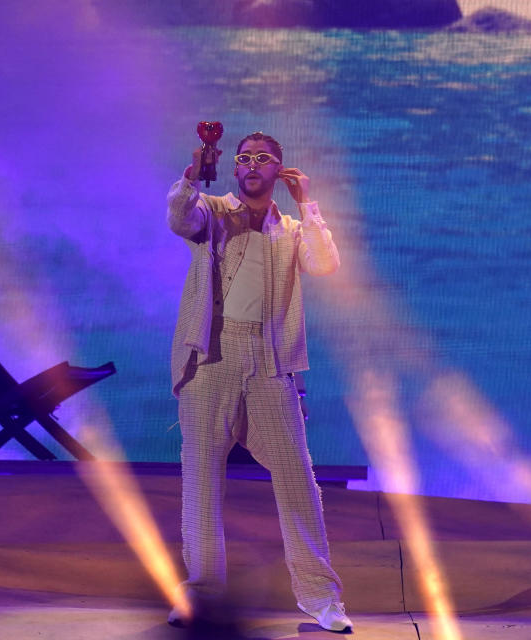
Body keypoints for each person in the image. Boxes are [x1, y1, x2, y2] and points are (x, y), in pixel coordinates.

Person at [165, 131, 352, 633]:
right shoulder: (214, 212)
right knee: (201, 480)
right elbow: (181, 216)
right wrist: (191, 173)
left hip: (271, 363)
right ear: (234, 167)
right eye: (244, 158)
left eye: (262, 159)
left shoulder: (290, 228)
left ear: (279, 171)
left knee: (299, 482)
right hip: (213, 358)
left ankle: (320, 598)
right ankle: (201, 595)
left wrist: (309, 204)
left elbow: (324, 263)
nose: (251, 166)